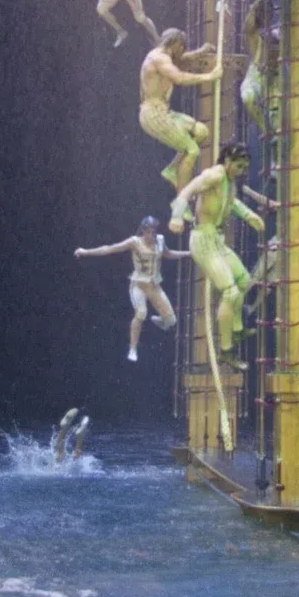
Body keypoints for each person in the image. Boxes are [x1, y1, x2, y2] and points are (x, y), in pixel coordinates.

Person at [169, 145, 266, 355]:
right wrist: (177, 216)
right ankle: (226, 347)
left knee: (244, 281)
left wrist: (250, 216)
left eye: (244, 168)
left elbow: (232, 203)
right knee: (230, 292)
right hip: (203, 240)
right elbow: (187, 191)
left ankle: (238, 329)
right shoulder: (214, 175)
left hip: (217, 240)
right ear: (228, 161)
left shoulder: (228, 183)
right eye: (239, 166)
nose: (241, 172)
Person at [74, 215, 188, 361]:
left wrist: (187, 253)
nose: (151, 235)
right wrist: (86, 251)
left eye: (153, 231)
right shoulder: (134, 242)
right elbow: (109, 249)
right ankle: (133, 348)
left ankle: (159, 320)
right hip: (139, 285)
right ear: (143, 231)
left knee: (171, 321)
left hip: (154, 285)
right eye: (148, 231)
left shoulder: (160, 241)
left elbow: (169, 253)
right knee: (141, 313)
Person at [139, 30, 223, 191]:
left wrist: (201, 52)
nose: (182, 53)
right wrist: (210, 76)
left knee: (201, 132)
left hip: (163, 112)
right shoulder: (159, 59)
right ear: (177, 45)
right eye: (182, 48)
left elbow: (181, 59)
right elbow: (179, 78)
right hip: (153, 114)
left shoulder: (161, 55)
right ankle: (181, 202)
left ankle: (172, 168)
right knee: (192, 150)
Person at [239, 0, 280, 142]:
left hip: (275, 77)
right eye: (262, 13)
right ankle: (266, 129)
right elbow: (247, 26)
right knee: (248, 97)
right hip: (256, 72)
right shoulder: (254, 32)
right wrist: (254, 8)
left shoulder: (276, 33)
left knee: (278, 117)